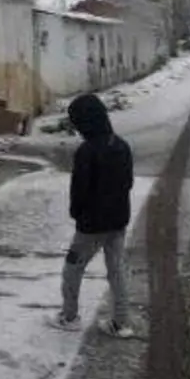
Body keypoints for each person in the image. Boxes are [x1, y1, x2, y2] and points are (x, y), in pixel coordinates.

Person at [49, 93, 135, 337]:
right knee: (116, 270)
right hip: (118, 221)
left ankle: (69, 316)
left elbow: (80, 191)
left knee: (72, 269)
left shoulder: (87, 151)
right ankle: (121, 323)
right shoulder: (121, 145)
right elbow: (127, 182)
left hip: (91, 226)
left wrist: (77, 214)